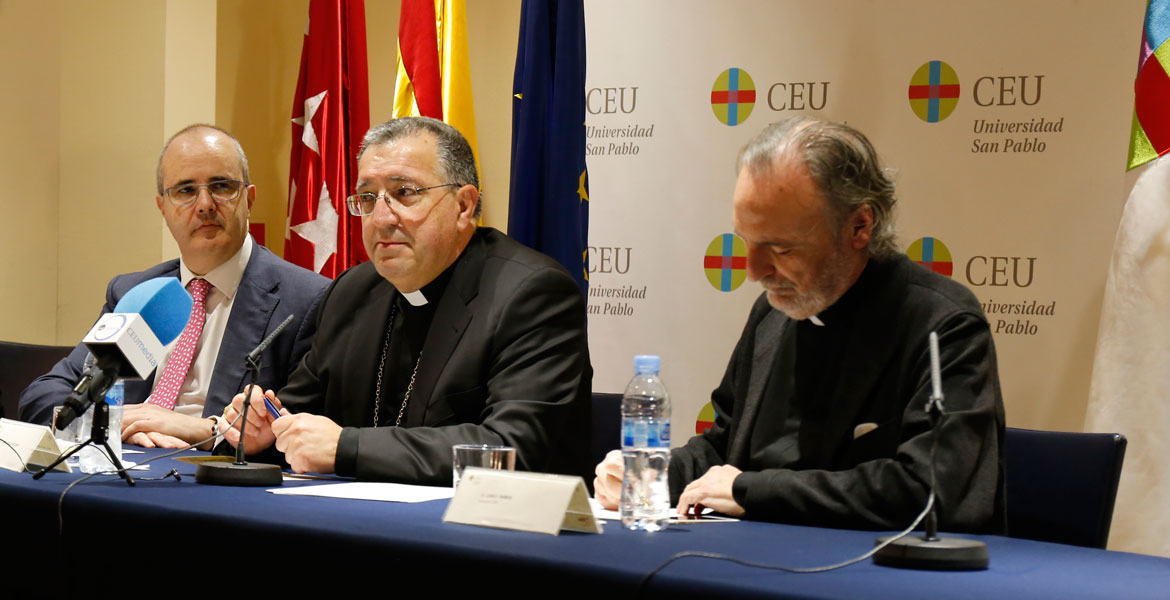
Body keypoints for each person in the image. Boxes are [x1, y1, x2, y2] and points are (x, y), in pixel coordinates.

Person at [594, 117, 1007, 533]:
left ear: (859, 227)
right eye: (746, 241)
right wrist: (653, 475)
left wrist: (752, 491)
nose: (753, 271)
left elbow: (934, 493)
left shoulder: (942, 324)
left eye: (781, 248)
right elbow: (723, 446)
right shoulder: (772, 314)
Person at [223, 116, 592, 485]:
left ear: (464, 206)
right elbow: (299, 420)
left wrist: (348, 447)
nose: (381, 218)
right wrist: (265, 431)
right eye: (368, 198)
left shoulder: (531, 294)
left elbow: (510, 448)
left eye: (405, 193)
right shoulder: (352, 292)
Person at [19, 125, 330, 450]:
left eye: (221, 186)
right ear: (163, 208)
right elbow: (44, 396)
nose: (205, 204)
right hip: (126, 461)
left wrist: (207, 431)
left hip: (214, 474)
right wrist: (113, 422)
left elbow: (307, 432)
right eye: (185, 190)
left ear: (249, 199)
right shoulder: (136, 293)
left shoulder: (305, 300)